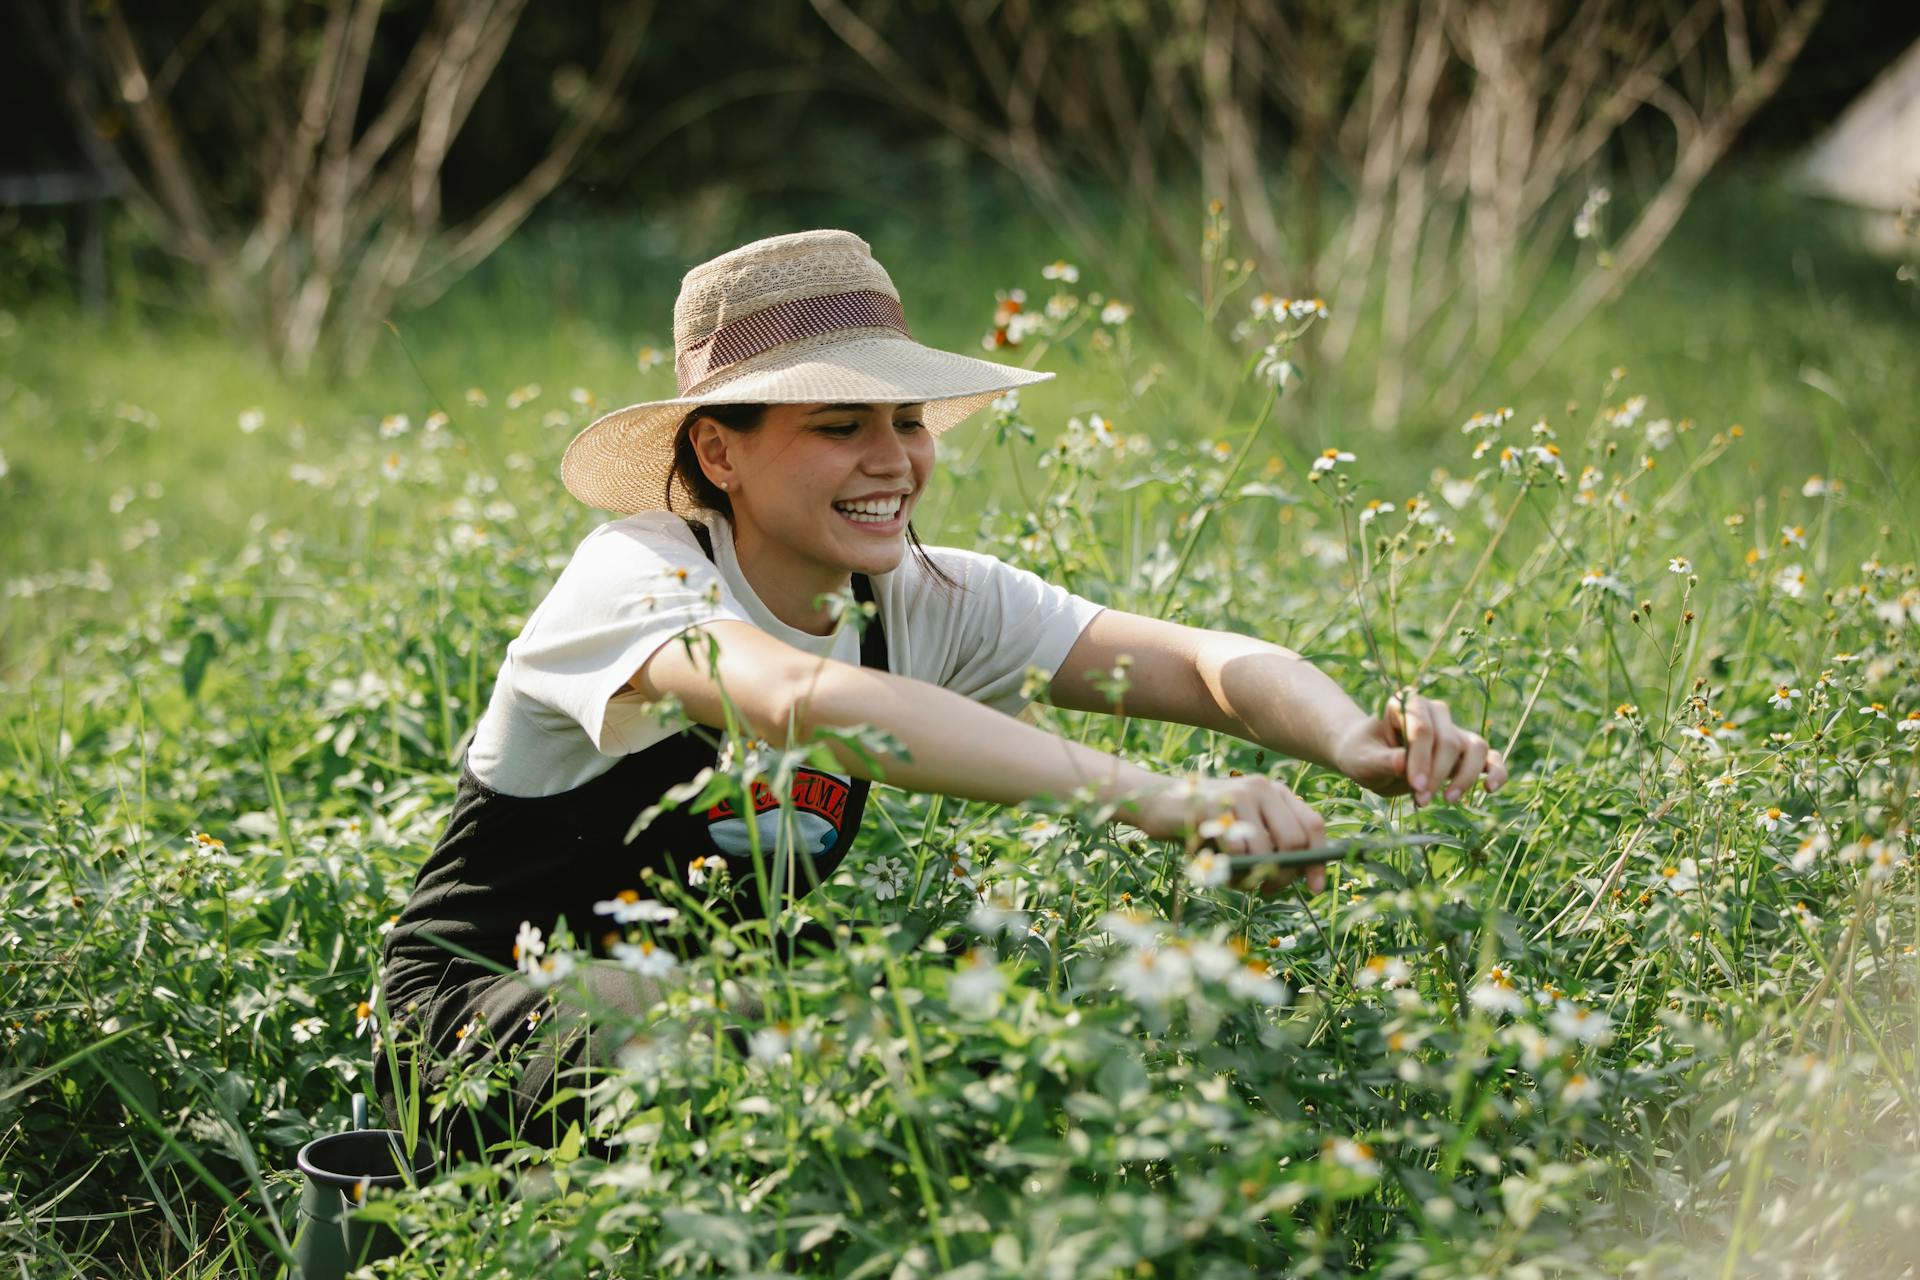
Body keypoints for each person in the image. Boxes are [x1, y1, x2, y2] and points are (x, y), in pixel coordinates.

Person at [371, 229, 1505, 1162]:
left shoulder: (912, 596)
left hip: (716, 1017)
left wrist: (1354, 735)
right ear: (719, 452)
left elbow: (1203, 660)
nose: (894, 460)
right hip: (473, 1016)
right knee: (727, 1046)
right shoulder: (640, 572)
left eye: (907, 422)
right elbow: (805, 701)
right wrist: (1157, 798)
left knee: (929, 1066)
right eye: (839, 425)